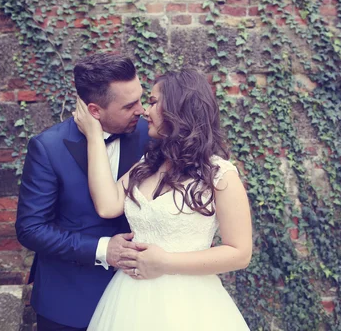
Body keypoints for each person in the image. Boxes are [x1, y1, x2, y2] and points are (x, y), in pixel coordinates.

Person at [72, 69, 252, 330]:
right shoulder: (148, 164)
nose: (145, 110)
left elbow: (240, 253)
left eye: (154, 102)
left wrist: (165, 262)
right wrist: (94, 135)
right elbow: (107, 205)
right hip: (128, 300)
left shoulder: (221, 175)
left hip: (190, 305)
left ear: (179, 110)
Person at [15, 53, 151, 330]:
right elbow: (31, 228)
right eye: (129, 105)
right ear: (95, 111)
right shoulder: (48, 148)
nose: (142, 109)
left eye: (140, 98)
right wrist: (103, 249)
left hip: (142, 299)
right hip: (69, 302)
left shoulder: (152, 135)